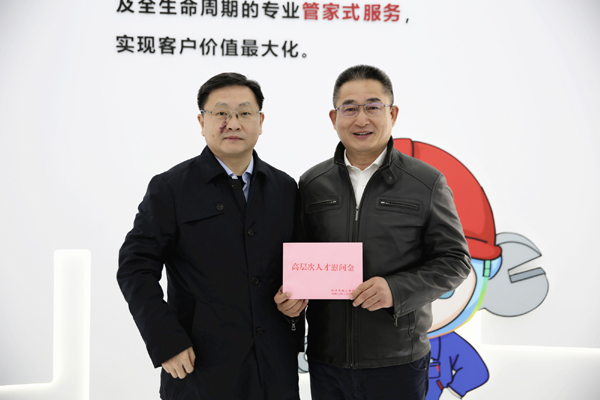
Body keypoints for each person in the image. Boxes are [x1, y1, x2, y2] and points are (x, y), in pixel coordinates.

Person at [275, 65, 471, 400]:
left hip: (398, 359)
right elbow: (297, 258)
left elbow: (455, 261)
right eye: (349, 108)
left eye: (373, 107)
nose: (361, 119)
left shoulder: (426, 182)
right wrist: (291, 298)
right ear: (334, 117)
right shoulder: (311, 183)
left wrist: (396, 289)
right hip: (327, 359)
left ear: (392, 114)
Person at [118, 72, 302, 400]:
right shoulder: (171, 188)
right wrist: (166, 341)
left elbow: (299, 264)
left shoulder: (285, 188)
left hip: (275, 366)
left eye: (244, 113)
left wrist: (299, 296)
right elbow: (135, 268)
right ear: (202, 122)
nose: (233, 123)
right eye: (221, 113)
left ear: (260, 121)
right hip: (200, 367)